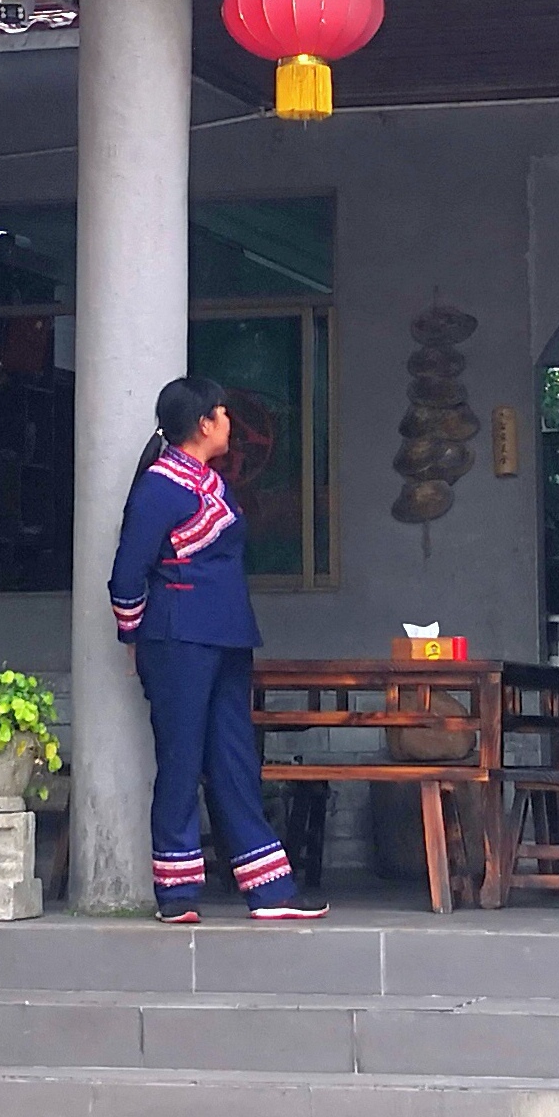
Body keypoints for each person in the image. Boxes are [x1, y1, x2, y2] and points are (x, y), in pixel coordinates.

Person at [110, 375, 325, 922]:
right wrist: (133, 636)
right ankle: (176, 892)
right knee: (182, 759)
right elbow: (127, 572)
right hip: (177, 638)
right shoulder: (159, 487)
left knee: (235, 759)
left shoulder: (209, 483)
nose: (230, 421)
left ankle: (269, 889)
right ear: (204, 423)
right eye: (223, 413)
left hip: (226, 634)